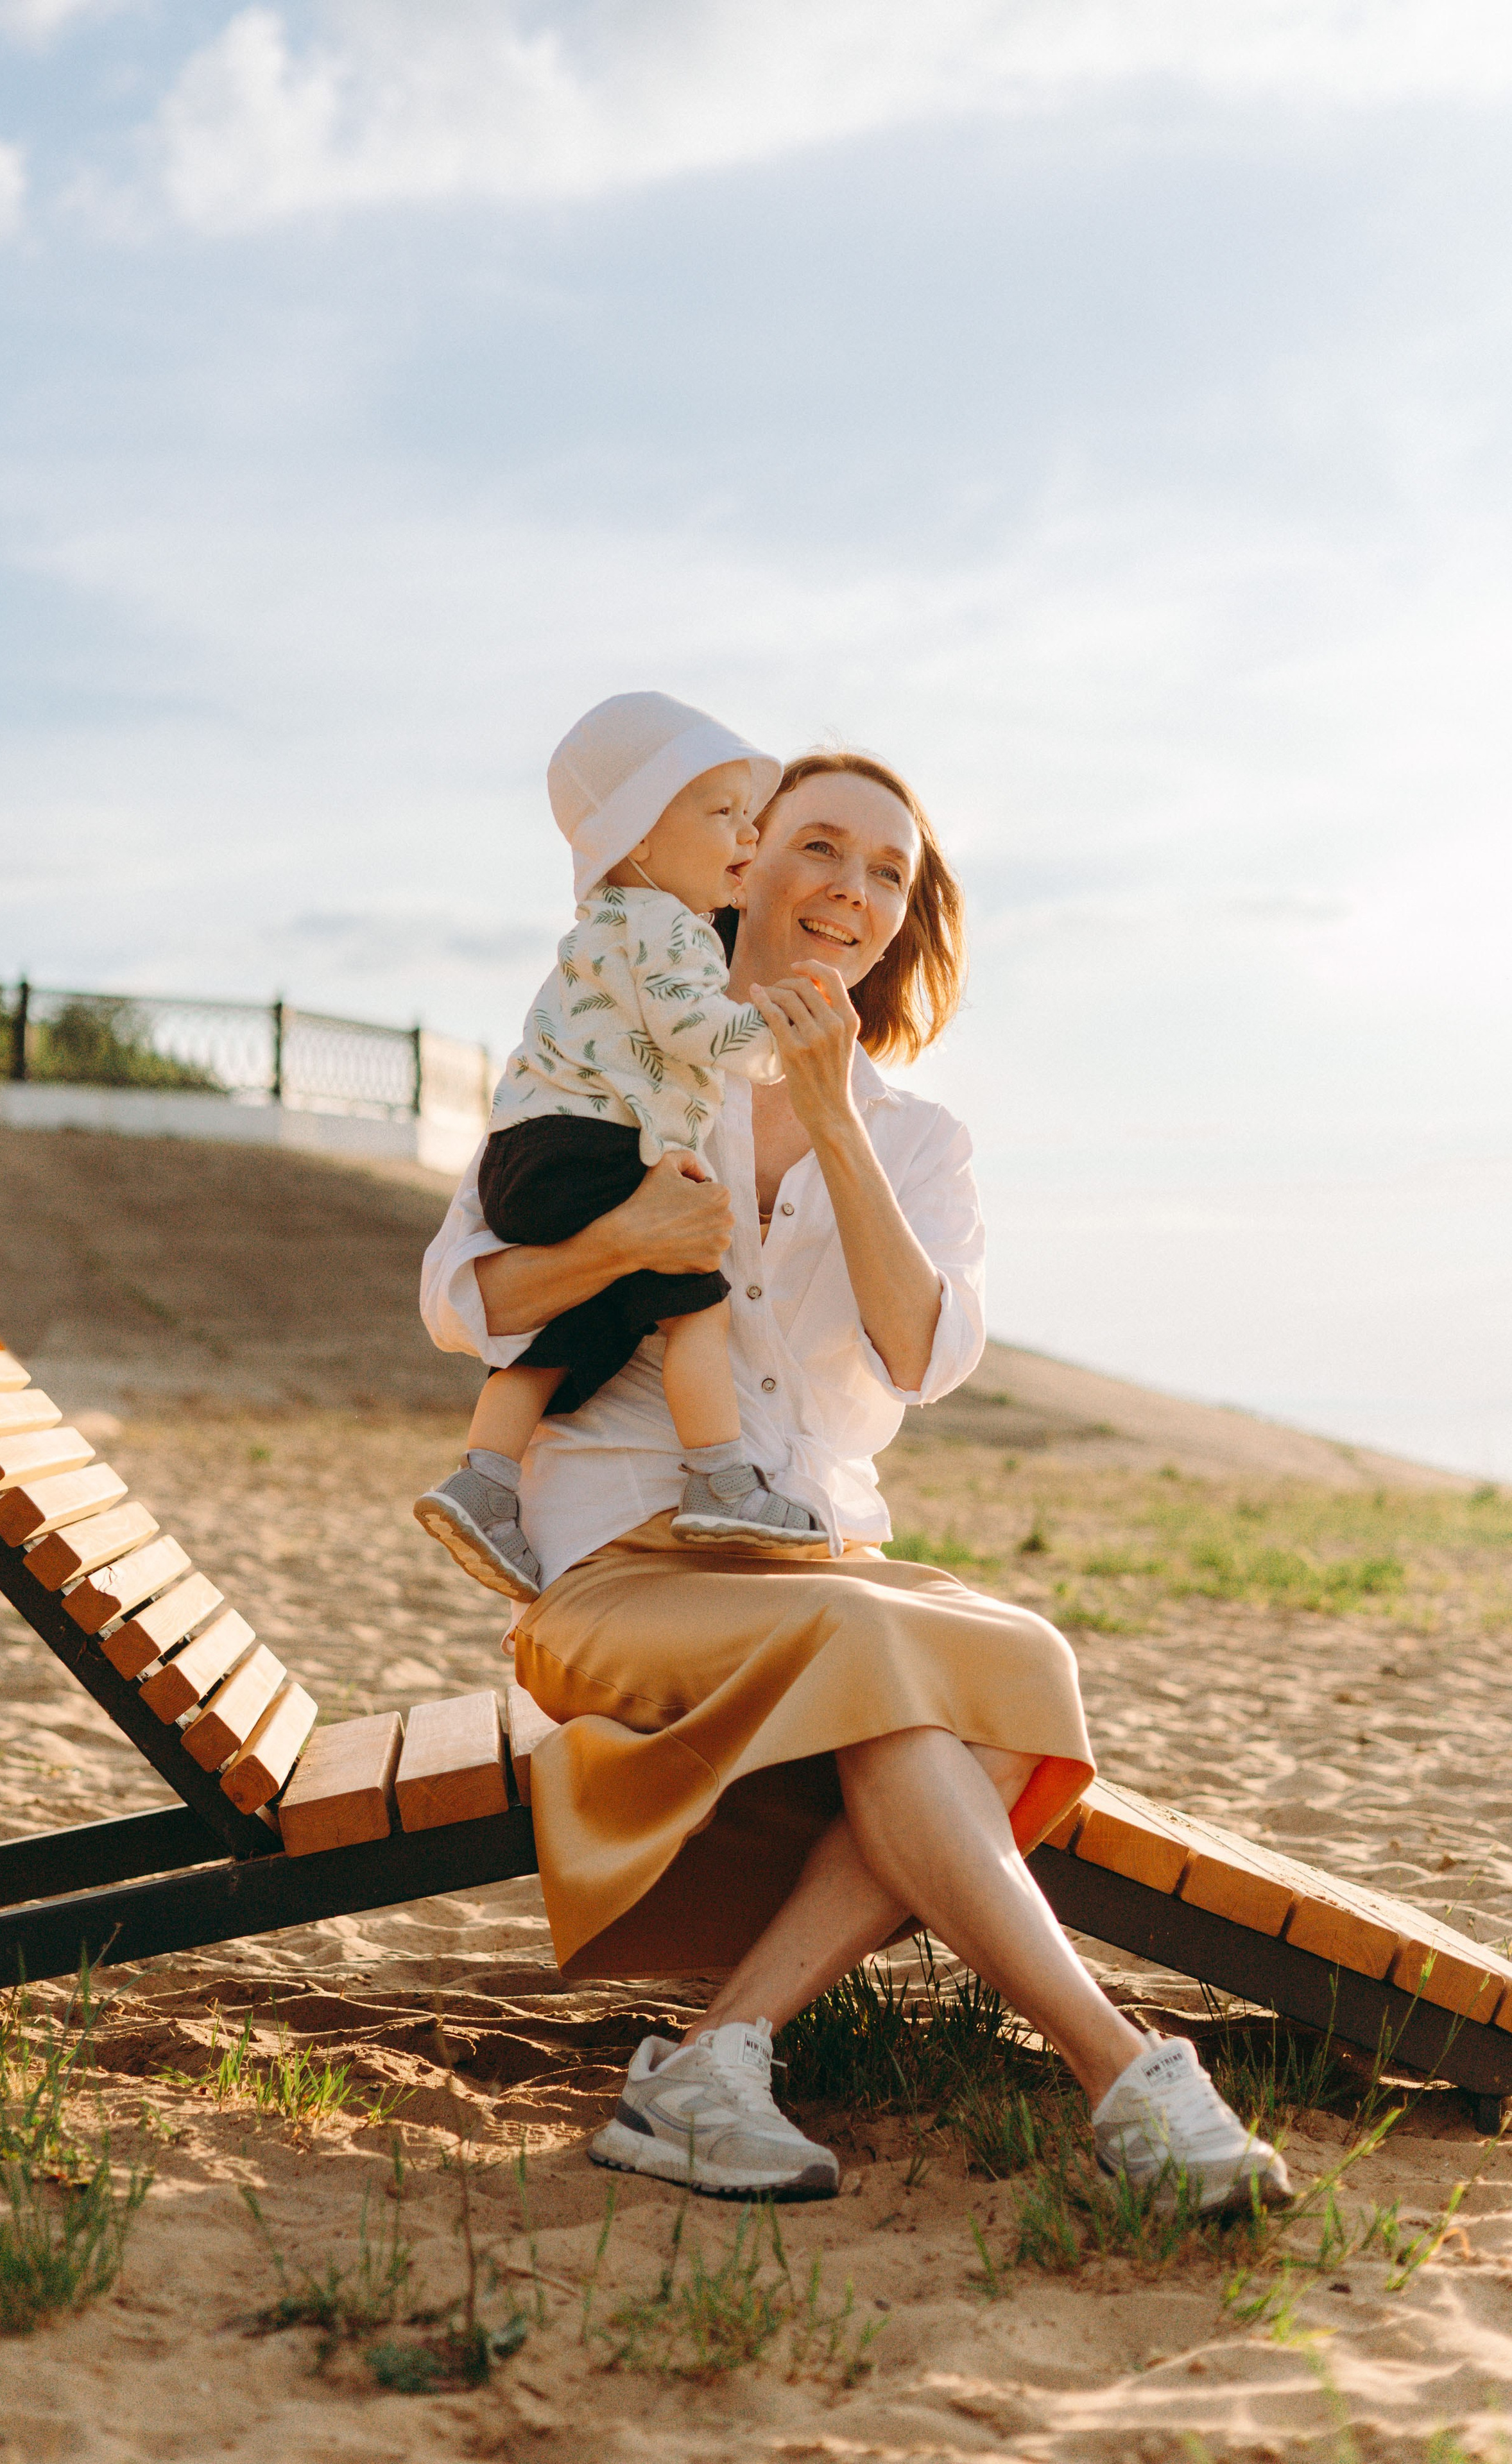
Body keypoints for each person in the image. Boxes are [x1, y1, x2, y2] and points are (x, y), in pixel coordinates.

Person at [420, 745, 1289, 2218]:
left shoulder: (917, 1138)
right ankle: (1120, 2072)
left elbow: (919, 1353)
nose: (851, 890)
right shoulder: (606, 1061)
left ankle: (714, 2060)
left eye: (889, 873)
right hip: (620, 1576)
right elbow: (465, 1300)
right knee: (892, 1656)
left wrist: (830, 1112)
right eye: (819, 848)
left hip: (814, 1576)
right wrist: (631, 1241)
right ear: (743, 863)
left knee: (1014, 1664)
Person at [415, 692, 827, 1602]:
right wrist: (775, 1043)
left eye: (750, 818)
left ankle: (484, 1479)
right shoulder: (670, 925)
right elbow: (693, 1032)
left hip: (531, 1150)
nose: (747, 838)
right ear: (640, 840)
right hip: (590, 1141)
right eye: (722, 815)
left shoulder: (605, 926)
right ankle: (721, 1476)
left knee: (578, 1323)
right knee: (696, 1298)